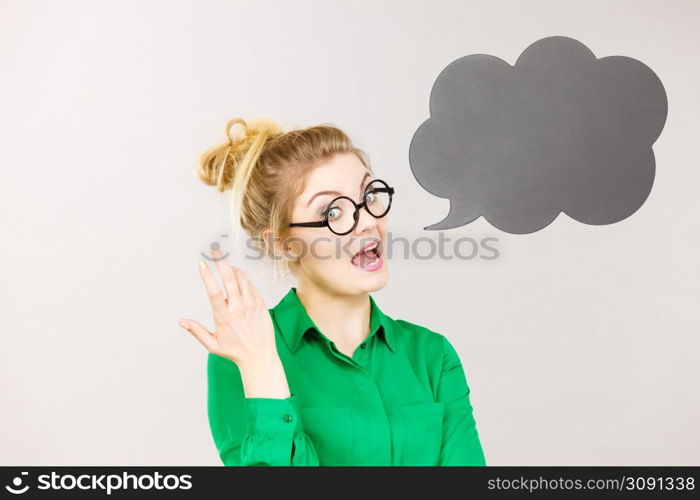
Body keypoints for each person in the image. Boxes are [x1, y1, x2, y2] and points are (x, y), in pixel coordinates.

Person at [178, 117, 486, 466]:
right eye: (332, 211)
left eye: (369, 196)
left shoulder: (432, 356)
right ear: (282, 243)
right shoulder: (242, 358)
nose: (369, 220)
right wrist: (262, 368)